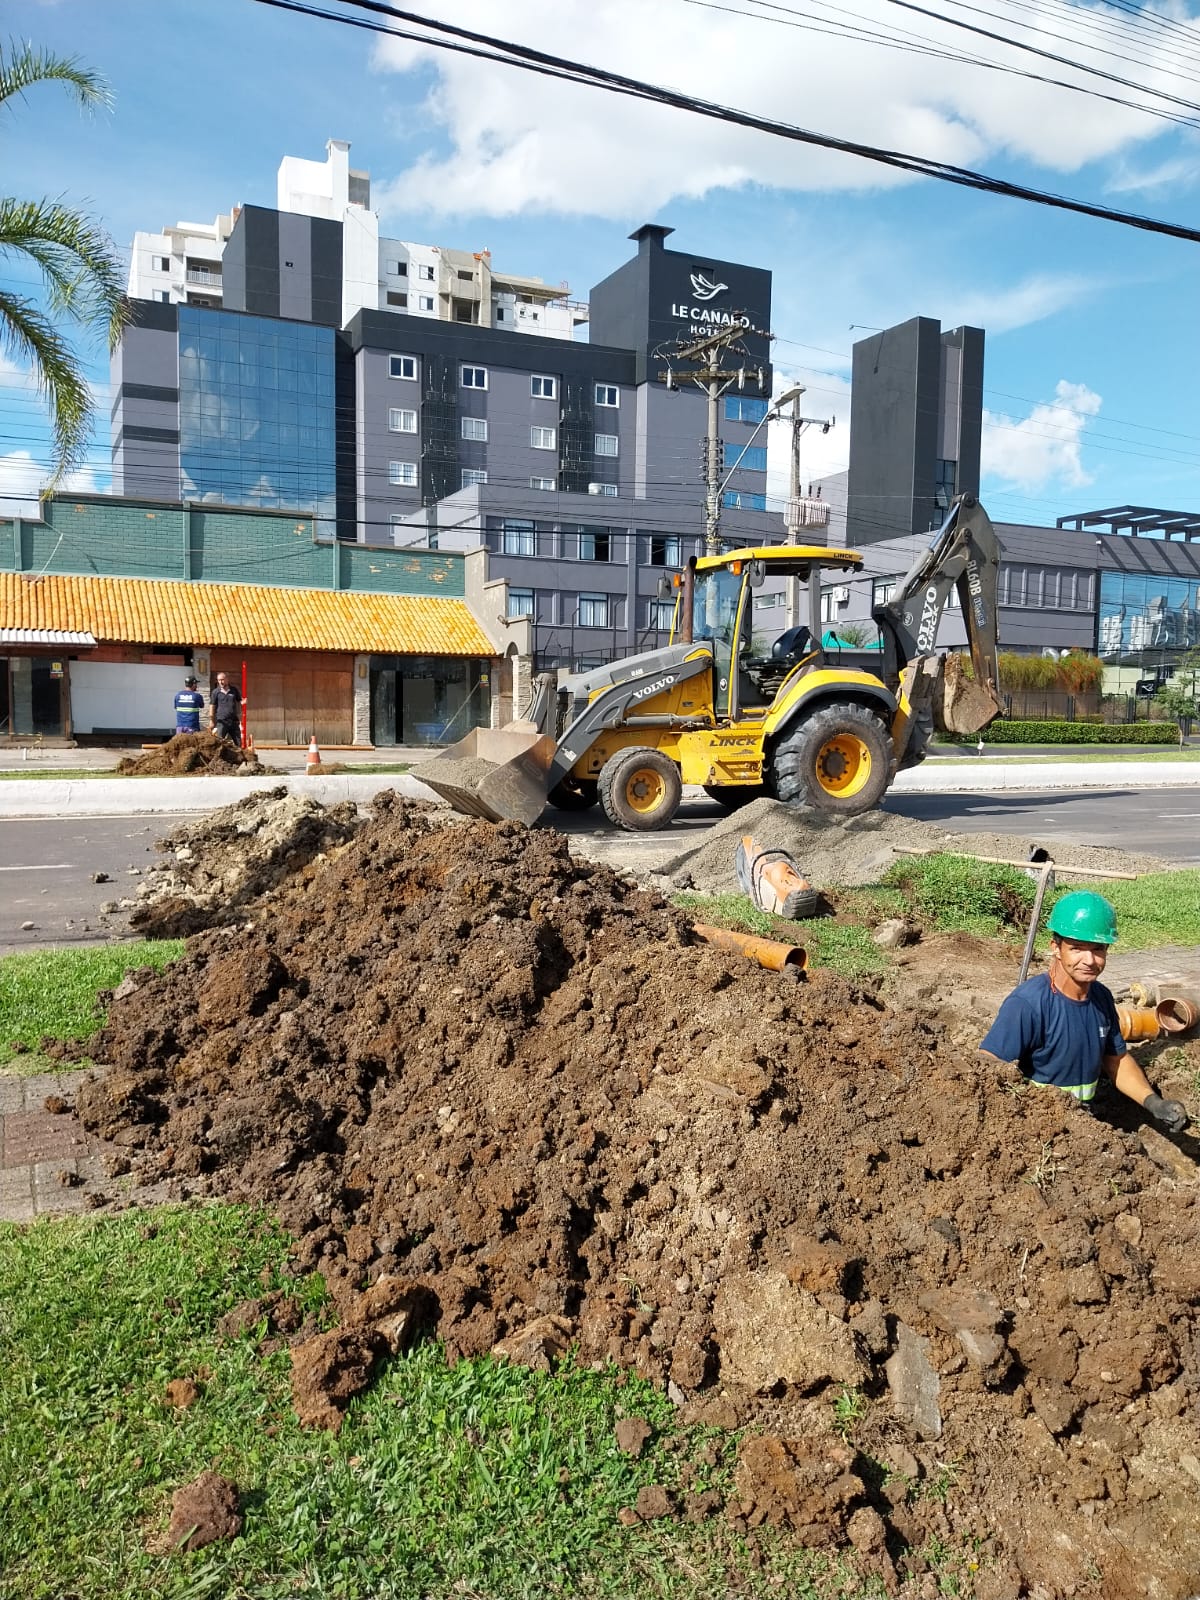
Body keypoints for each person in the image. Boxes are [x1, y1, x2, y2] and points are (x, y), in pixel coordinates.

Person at [981, 890, 1189, 1133]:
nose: (1089, 960)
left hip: (1085, 1126)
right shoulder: (1028, 1004)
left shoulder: (1101, 997)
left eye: (1098, 949)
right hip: (1037, 1132)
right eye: (1077, 948)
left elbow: (1116, 1060)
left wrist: (1154, 1103)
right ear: (1056, 948)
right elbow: (987, 1065)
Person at [209, 671, 242, 746]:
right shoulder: (215, 692)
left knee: (238, 744)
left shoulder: (234, 690)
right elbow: (212, 706)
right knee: (219, 743)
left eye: (222, 680)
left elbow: (240, 702)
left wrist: (240, 716)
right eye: (219, 680)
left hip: (234, 721)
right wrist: (211, 720)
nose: (220, 682)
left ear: (227, 679)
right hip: (222, 722)